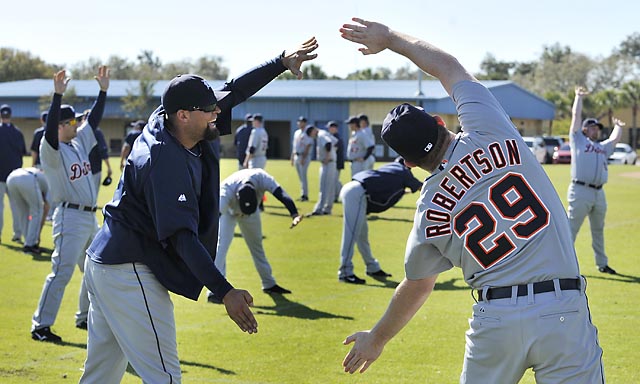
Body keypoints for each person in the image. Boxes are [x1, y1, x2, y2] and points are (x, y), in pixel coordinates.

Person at [339, 18, 604, 383]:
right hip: (561, 305)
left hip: (495, 319)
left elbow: (417, 284)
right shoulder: (487, 127)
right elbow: (448, 67)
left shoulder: (428, 208)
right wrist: (390, 38)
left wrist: (377, 338)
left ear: (410, 162)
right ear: (437, 120)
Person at [78, 38, 318, 383]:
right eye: (210, 110)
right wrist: (224, 291)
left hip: (105, 263)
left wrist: (280, 62)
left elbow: (234, 91)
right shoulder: (164, 158)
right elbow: (181, 237)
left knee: (99, 377)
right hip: (129, 270)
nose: (217, 113)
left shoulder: (174, 119)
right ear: (184, 115)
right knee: (166, 377)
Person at [31, 66, 110, 342]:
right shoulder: (51, 150)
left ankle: (83, 318)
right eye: (72, 122)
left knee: (96, 271)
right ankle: (41, 326)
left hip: (89, 219)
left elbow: (95, 120)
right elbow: (50, 130)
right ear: (62, 125)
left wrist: (103, 91)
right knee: (61, 273)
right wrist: (57, 95)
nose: (78, 124)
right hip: (70, 217)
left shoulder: (78, 142)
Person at [207, 168, 303, 303]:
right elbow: (213, 217)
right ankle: (214, 291)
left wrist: (294, 214)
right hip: (229, 212)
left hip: (251, 214)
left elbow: (280, 194)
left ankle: (269, 284)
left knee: (257, 246)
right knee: (221, 247)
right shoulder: (225, 192)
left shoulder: (262, 178)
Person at [338, 158, 421, 284]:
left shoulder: (391, 167)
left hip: (355, 190)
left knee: (362, 236)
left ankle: (372, 267)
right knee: (351, 235)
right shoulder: (403, 171)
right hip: (358, 194)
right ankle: (345, 272)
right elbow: (420, 186)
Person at [568, 88, 623, 275]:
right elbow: (575, 115)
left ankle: (602, 263)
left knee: (598, 230)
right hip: (580, 190)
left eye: (598, 128)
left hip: (599, 193)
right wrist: (578, 98)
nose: (596, 130)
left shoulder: (601, 147)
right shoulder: (577, 140)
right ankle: (564, 265)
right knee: (571, 230)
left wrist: (619, 126)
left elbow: (614, 140)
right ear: (585, 129)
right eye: (593, 128)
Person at [5, 167, 49, 254]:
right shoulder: (49, 182)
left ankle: (28, 241)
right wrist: (38, 234)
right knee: (37, 211)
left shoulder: (42, 175)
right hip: (28, 178)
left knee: (23, 212)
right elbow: (46, 207)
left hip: (11, 178)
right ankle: (31, 244)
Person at [0, 104, 27, 245]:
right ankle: (18, 234)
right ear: (10, 116)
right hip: (15, 175)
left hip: (0, 176)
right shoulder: (17, 132)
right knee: (16, 207)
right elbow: (22, 151)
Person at [307, 125, 338, 216]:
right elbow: (336, 143)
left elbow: (328, 144)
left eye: (310, 133)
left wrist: (328, 157)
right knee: (330, 188)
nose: (311, 136)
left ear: (313, 130)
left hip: (328, 163)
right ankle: (328, 208)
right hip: (332, 163)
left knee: (324, 187)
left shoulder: (321, 134)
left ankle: (319, 209)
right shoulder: (325, 133)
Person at [86, 110, 113, 192]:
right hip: (95, 167)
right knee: (93, 193)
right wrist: (108, 167)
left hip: (80, 169)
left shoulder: (78, 132)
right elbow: (103, 150)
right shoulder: (97, 132)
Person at [291, 116, 314, 201]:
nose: (300, 123)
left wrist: (304, 158)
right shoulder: (297, 132)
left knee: (303, 176)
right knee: (300, 177)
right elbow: (294, 146)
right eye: (299, 122)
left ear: (305, 123)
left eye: (302, 122)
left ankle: (305, 195)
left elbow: (308, 145)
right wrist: (292, 157)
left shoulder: (307, 132)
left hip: (304, 156)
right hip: (297, 155)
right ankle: (302, 194)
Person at [328, 121, 345, 202]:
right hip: (335, 162)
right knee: (334, 180)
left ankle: (339, 194)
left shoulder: (336, 138)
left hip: (336, 162)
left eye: (330, 127)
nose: (329, 129)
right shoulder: (333, 137)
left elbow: (335, 150)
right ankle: (339, 194)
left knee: (334, 180)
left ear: (335, 128)